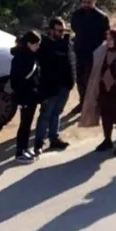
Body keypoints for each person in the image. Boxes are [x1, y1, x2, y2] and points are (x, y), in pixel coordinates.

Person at [78, 28, 116, 156]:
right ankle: (107, 140)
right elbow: (94, 66)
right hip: (103, 90)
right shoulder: (101, 51)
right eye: (107, 38)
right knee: (106, 117)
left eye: (110, 38)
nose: (108, 41)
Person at [37, 18, 75, 153]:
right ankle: (39, 143)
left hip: (64, 85)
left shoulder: (66, 43)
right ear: (51, 30)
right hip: (49, 86)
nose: (61, 33)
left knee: (57, 113)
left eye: (63, 30)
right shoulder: (44, 45)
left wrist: (71, 82)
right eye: (59, 31)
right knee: (45, 114)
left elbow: (70, 62)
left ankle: (54, 138)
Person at [70, 0, 111, 109]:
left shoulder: (101, 17)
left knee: (91, 79)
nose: (86, 5)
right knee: (80, 78)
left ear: (94, 1)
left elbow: (106, 35)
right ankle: (83, 102)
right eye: (84, 2)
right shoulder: (77, 15)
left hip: (94, 53)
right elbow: (74, 29)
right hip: (79, 51)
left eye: (89, 2)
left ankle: (93, 102)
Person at [10, 31, 43, 163]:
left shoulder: (32, 56)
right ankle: (19, 152)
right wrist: (21, 96)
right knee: (24, 124)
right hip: (24, 96)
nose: (38, 47)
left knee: (28, 123)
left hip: (31, 95)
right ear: (29, 44)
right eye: (36, 44)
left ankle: (24, 148)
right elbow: (15, 81)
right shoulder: (19, 58)